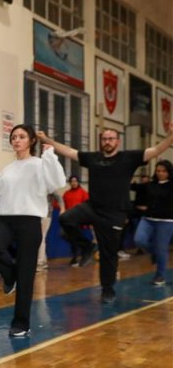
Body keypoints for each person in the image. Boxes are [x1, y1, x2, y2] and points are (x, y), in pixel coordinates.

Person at [39, 127, 173, 303]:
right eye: (104, 139)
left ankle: (107, 289)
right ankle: (87, 247)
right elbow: (69, 152)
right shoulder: (93, 158)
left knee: (108, 254)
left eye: (111, 139)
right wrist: (48, 139)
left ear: (118, 141)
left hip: (114, 213)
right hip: (92, 207)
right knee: (66, 219)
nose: (107, 142)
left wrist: (170, 136)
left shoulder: (129, 158)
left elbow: (156, 150)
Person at [0, 124, 66, 337]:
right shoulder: (8, 169)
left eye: (21, 136)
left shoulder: (40, 164)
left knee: (26, 276)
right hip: (6, 220)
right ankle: (10, 276)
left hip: (30, 222)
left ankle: (21, 323)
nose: (16, 140)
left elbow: (57, 182)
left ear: (31, 141)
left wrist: (50, 156)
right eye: (14, 137)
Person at [133, 160, 173, 286]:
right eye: (158, 171)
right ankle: (154, 252)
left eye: (163, 171)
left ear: (169, 172)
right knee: (139, 240)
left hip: (166, 221)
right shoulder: (150, 185)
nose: (160, 173)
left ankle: (160, 276)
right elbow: (134, 187)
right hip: (148, 219)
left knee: (162, 249)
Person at [62, 175, 89, 266]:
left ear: (78, 182)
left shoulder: (83, 193)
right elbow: (62, 206)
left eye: (75, 181)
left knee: (76, 238)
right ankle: (76, 256)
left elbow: (87, 206)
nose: (74, 183)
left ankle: (76, 257)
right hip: (68, 220)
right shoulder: (66, 194)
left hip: (79, 220)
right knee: (67, 236)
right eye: (72, 181)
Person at [36, 191, 63, 271]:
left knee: (41, 238)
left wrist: (62, 208)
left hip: (46, 215)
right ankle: (43, 261)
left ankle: (40, 263)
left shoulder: (49, 186)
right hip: (37, 214)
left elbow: (58, 197)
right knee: (40, 238)